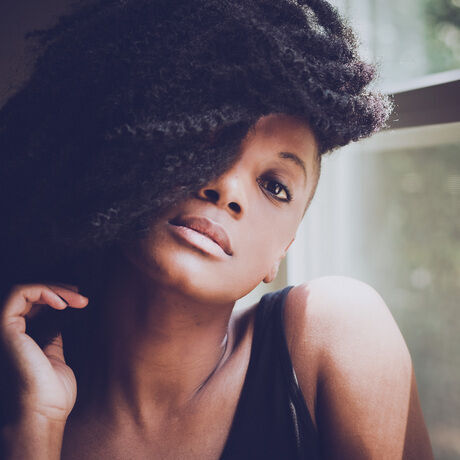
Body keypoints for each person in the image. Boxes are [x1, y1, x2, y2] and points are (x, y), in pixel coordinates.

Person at [0, 0, 433, 458]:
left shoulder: (335, 330)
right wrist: (35, 431)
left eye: (274, 186)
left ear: (282, 251)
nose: (228, 189)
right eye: (208, 141)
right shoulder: (25, 391)